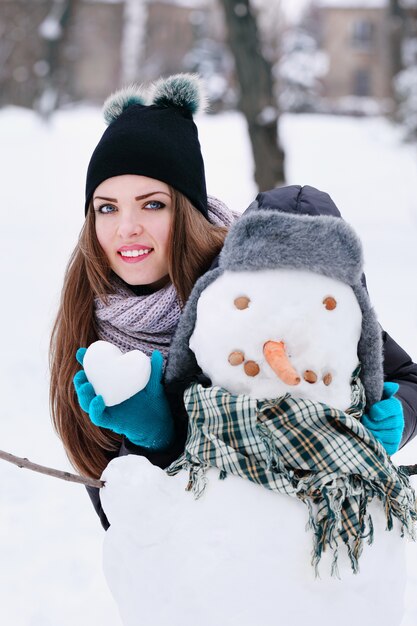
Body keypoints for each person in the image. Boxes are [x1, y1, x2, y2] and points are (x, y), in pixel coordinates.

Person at [50, 74, 417, 530]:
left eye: (152, 205)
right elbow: (123, 523)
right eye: (107, 207)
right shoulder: (89, 321)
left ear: (187, 208)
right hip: (201, 577)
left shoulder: (258, 279)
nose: (126, 228)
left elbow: (404, 375)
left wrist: (400, 415)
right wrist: (152, 439)